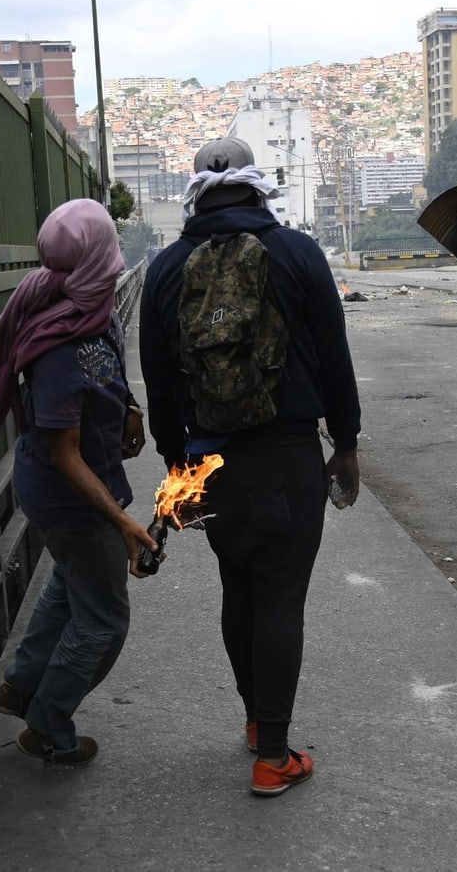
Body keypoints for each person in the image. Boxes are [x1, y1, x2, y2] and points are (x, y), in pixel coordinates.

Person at [139, 137, 361, 796]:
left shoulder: (168, 267)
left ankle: (254, 719)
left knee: (240, 589)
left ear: (197, 189)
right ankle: (273, 753)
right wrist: (345, 443)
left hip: (207, 461)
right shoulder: (297, 254)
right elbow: (333, 356)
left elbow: (158, 380)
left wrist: (177, 471)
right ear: (256, 185)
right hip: (288, 456)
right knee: (281, 596)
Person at [0, 198, 158, 765]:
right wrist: (122, 523)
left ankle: (21, 684)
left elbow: (110, 370)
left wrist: (130, 407)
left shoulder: (95, 310)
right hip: (73, 500)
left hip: (81, 491)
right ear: (95, 259)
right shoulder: (57, 344)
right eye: (111, 251)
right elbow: (63, 453)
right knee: (104, 622)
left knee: (68, 589)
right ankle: (48, 724)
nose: (119, 263)